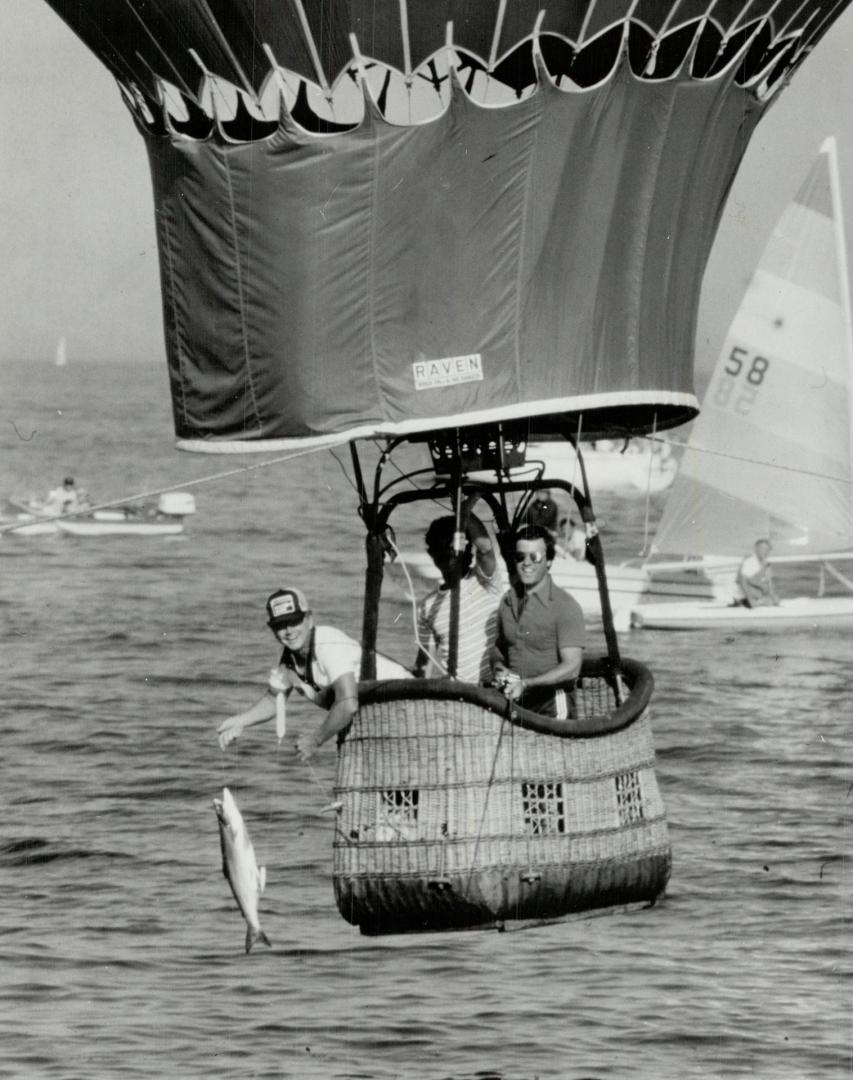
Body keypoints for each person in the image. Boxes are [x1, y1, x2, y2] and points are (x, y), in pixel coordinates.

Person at [217, 587, 410, 761]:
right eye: (281, 625)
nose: (289, 631)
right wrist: (240, 721)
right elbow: (274, 700)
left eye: (294, 622)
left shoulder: (327, 642)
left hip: (408, 703)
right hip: (377, 717)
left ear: (309, 620)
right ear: (273, 630)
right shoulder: (289, 660)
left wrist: (315, 740)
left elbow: (348, 703)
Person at [491, 524, 586, 718]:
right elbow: (499, 649)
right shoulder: (506, 601)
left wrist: (527, 684)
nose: (527, 563)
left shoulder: (565, 605)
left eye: (535, 557)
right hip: (515, 702)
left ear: (549, 561)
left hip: (552, 704)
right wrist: (498, 668)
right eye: (520, 557)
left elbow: (572, 668)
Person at [414, 496, 503, 683]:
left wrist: (462, 511)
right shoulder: (427, 607)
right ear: (432, 554)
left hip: (495, 688)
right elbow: (425, 666)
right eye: (440, 550)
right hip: (462, 696)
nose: (449, 557)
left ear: (467, 549)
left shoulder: (485, 581)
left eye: (452, 549)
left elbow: (486, 548)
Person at [735, 539, 780, 607]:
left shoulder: (766, 564)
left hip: (758, 597)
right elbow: (742, 580)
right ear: (756, 549)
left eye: (768, 549)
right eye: (763, 549)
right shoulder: (751, 561)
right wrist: (750, 600)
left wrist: (773, 597)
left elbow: (769, 583)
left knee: (772, 601)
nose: (765, 552)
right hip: (745, 598)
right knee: (767, 602)